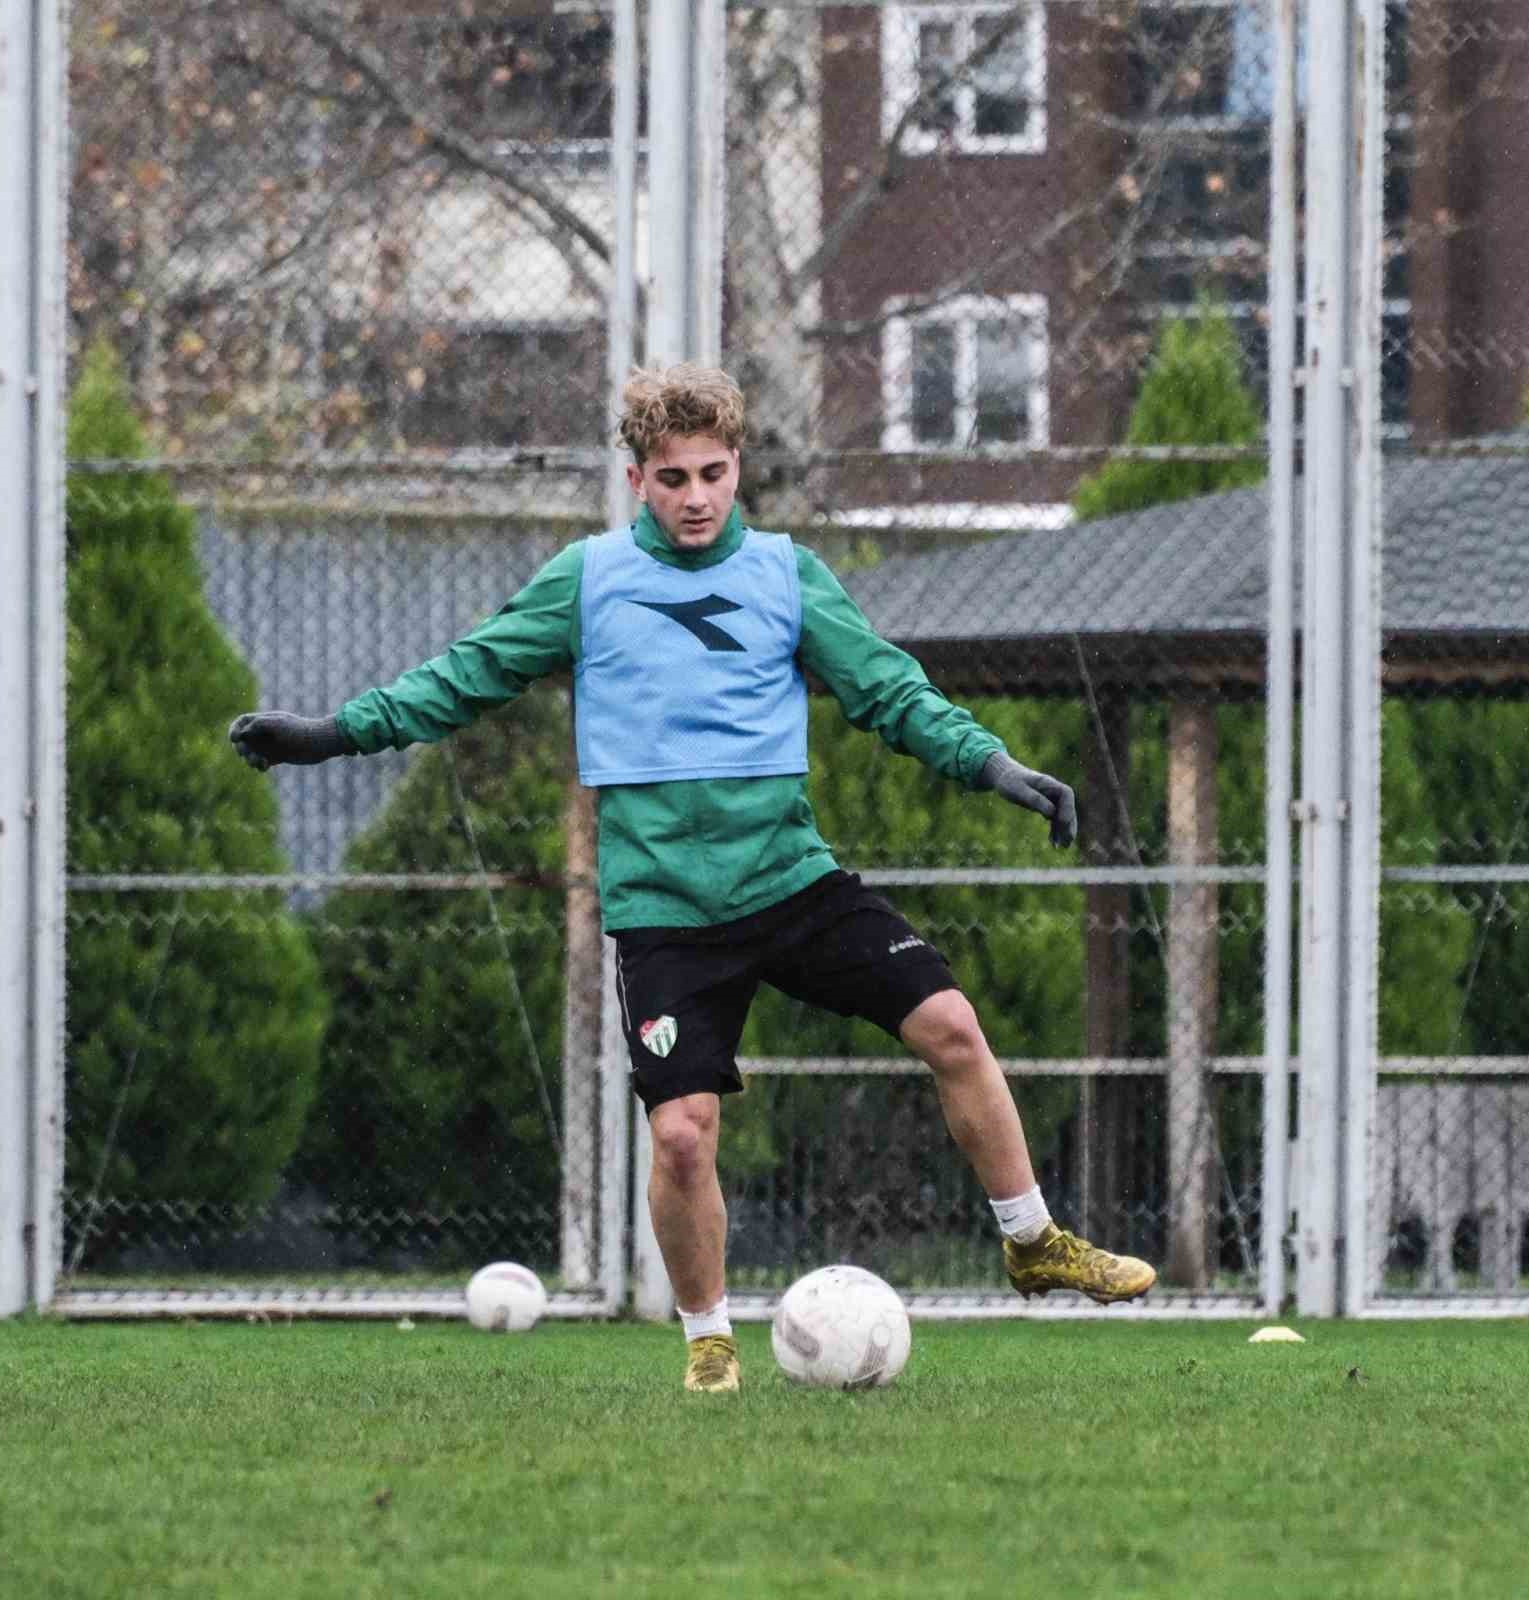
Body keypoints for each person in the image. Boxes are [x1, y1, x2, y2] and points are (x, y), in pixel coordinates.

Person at [229, 363, 1156, 1393]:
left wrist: (991, 763)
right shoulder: (586, 581)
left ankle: (1032, 1241)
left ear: (738, 467)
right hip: (666, 909)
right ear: (638, 480)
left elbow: (888, 689)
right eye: (673, 478)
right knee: (680, 1134)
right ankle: (710, 1340)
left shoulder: (786, 573)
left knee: (950, 1025)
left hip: (790, 879)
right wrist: (331, 734)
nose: (697, 497)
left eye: (713, 473)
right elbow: (462, 676)